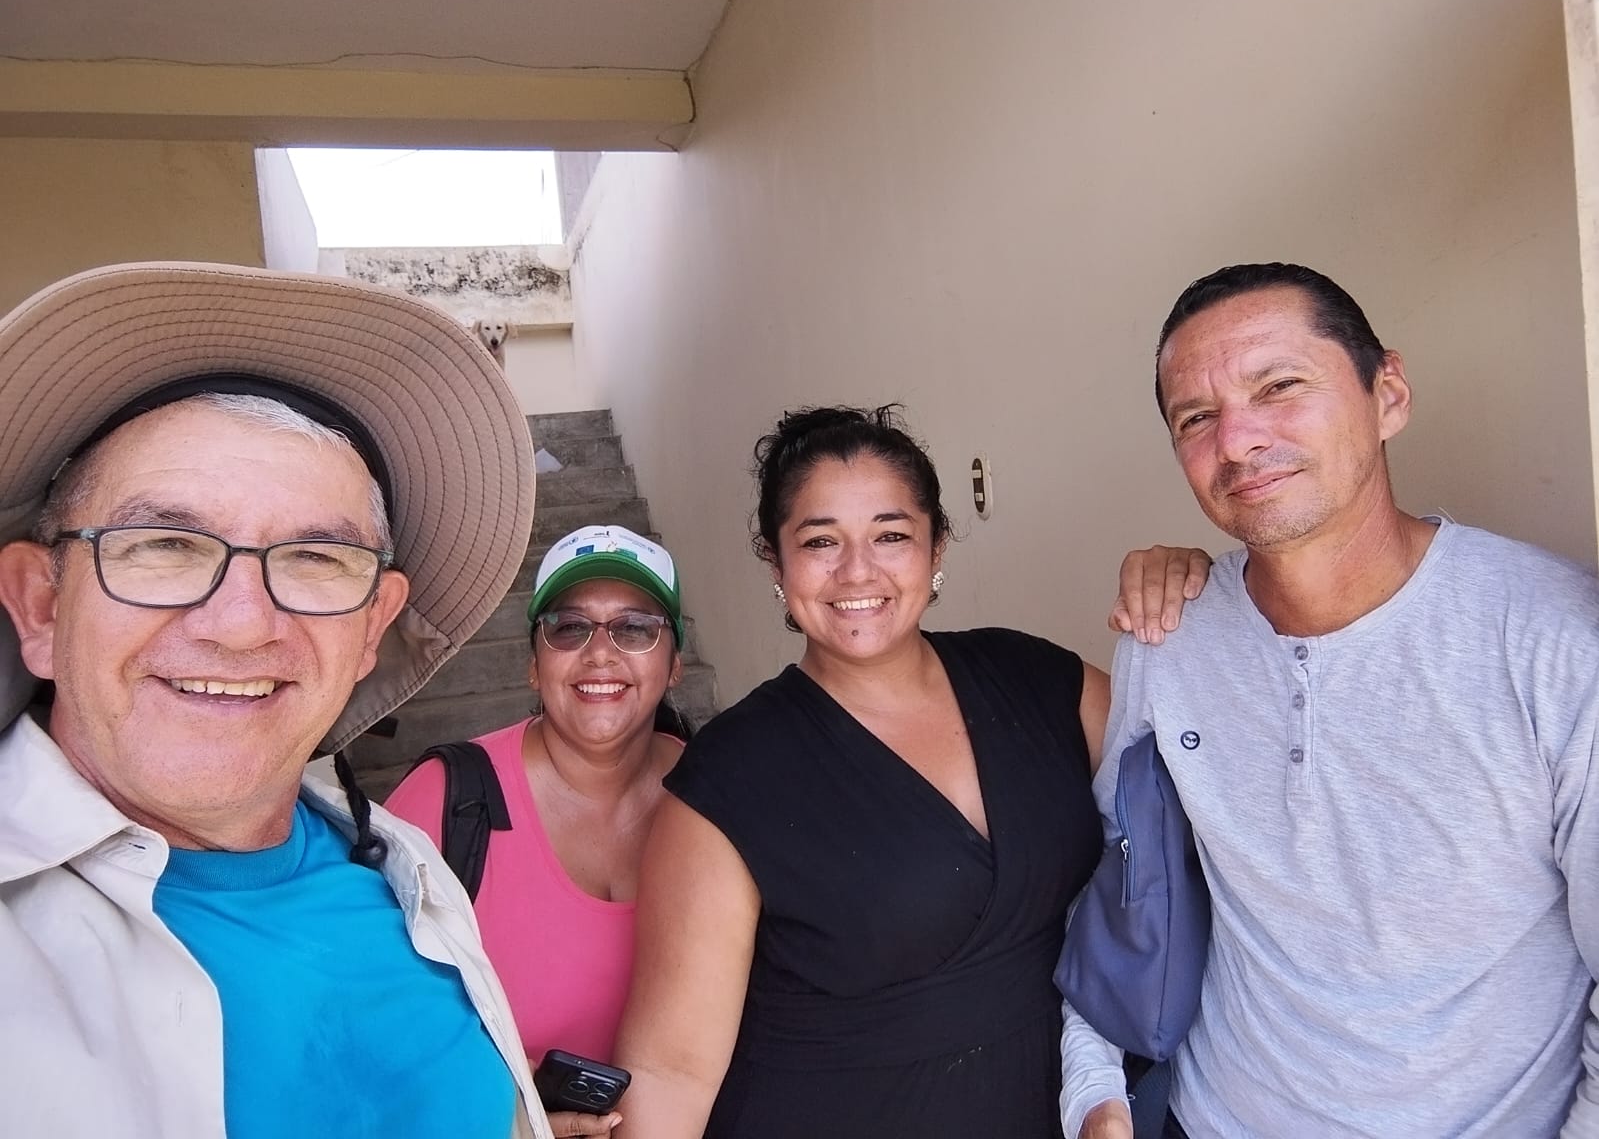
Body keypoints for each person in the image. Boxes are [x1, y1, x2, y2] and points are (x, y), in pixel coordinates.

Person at [0, 262, 554, 1139]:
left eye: (314, 559)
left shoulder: (408, 866)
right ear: (41, 605)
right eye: (165, 544)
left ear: (372, 628)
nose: (240, 625)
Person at [1062, 262, 1599, 1139]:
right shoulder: (1167, 638)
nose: (1237, 442)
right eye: (1195, 418)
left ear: (1388, 394)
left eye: (1278, 387)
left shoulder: (1555, 640)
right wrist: (1095, 1096)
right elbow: (1119, 890)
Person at [610, 404, 1206, 1138]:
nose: (857, 570)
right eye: (820, 541)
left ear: (935, 546)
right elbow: (670, 1072)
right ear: (776, 563)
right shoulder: (727, 779)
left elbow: (1199, 804)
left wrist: (1203, 598)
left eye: (890, 535)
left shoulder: (1037, 680)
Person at [387, 523, 689, 1137]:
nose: (600, 653)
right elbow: (366, 1010)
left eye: (635, 628)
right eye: (569, 628)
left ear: (675, 664)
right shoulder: (447, 802)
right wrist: (489, 1097)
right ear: (533, 664)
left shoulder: (721, 796)